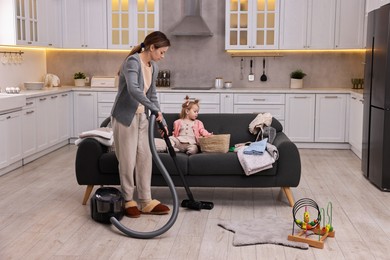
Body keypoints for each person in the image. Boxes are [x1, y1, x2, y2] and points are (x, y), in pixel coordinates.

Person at [111, 31, 170, 218]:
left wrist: (161, 117)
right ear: (152, 47)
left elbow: (152, 94)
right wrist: (153, 108)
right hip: (125, 117)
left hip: (142, 117)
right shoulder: (132, 62)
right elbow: (134, 90)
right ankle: (128, 199)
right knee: (127, 160)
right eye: (161, 52)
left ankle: (145, 200)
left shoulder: (153, 67)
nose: (163, 56)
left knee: (145, 158)